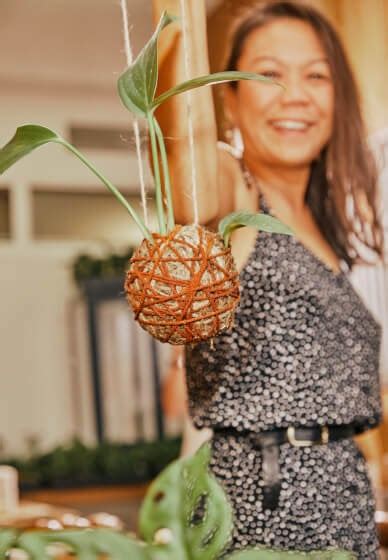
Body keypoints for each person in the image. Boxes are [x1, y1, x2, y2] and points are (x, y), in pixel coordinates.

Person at [152, 1, 384, 557]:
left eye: (316, 75)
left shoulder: (329, 230)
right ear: (226, 97)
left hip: (344, 507)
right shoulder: (231, 189)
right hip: (262, 508)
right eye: (267, 75)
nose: (295, 96)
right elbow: (185, 154)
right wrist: (176, 13)